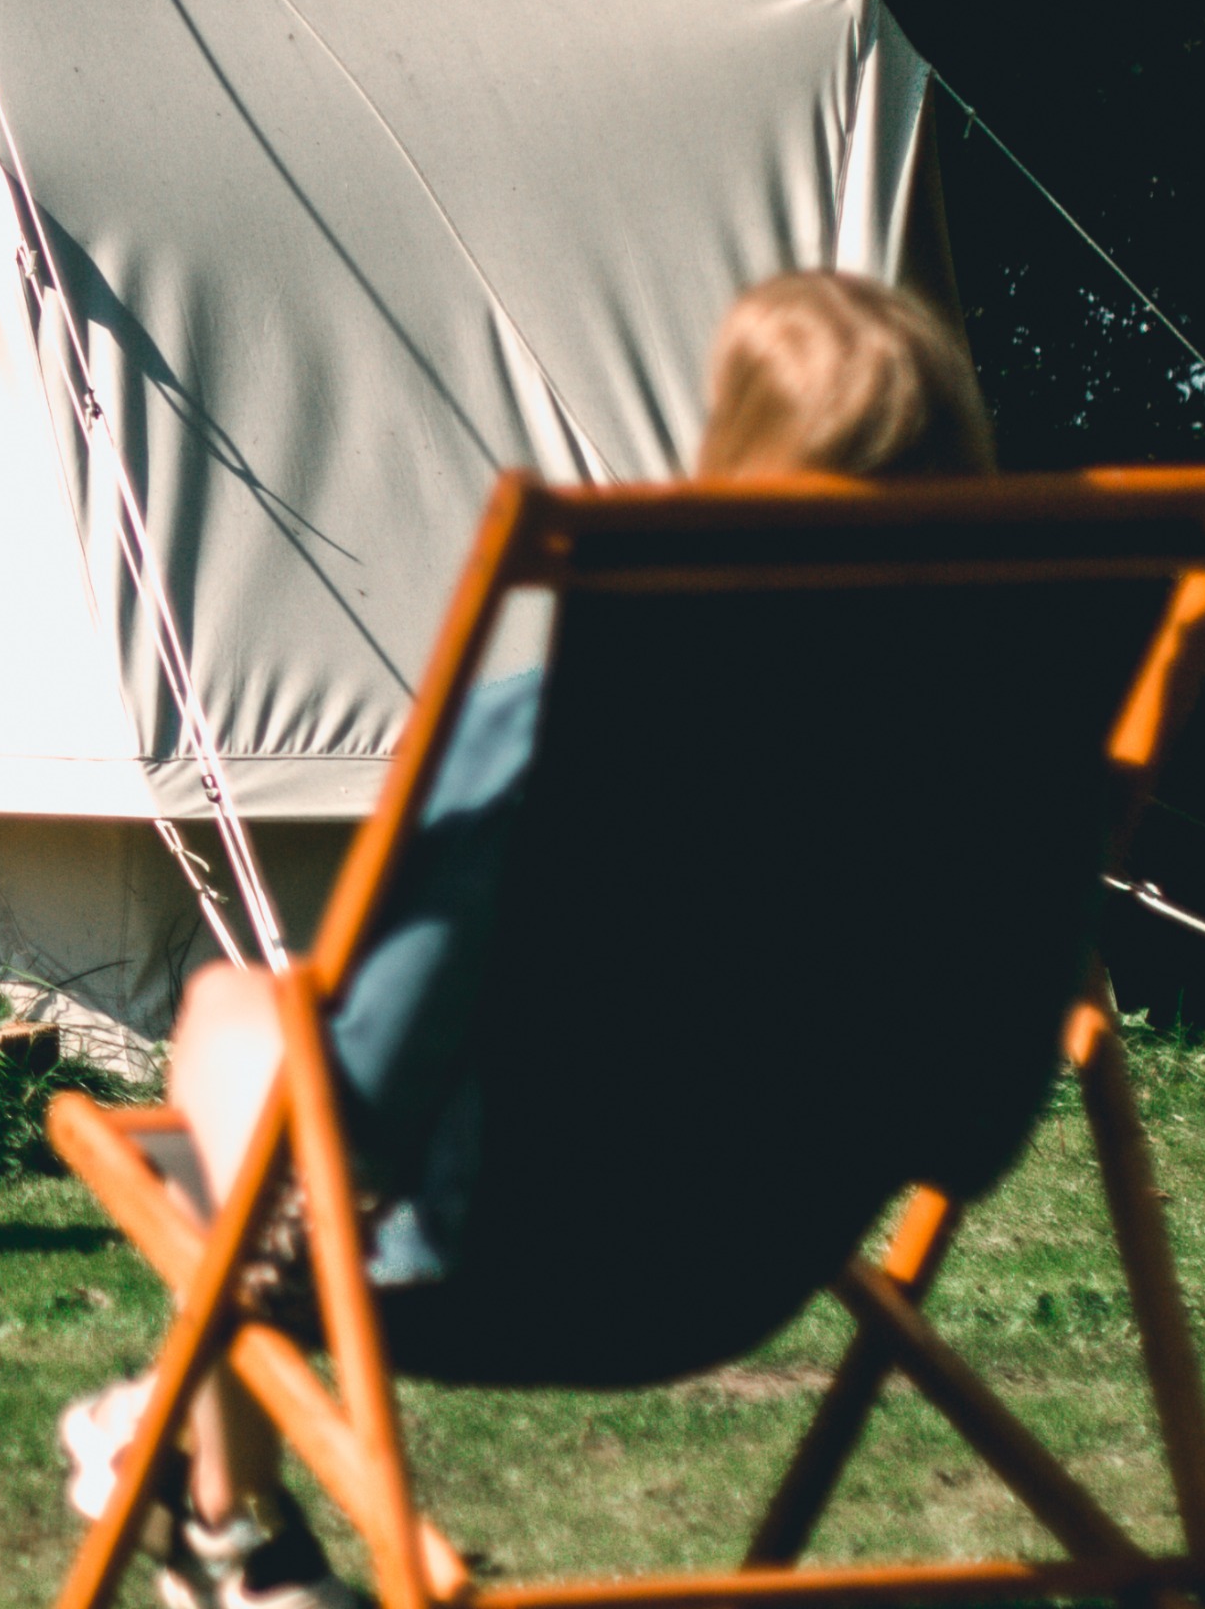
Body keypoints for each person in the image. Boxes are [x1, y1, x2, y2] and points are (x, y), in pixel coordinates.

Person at [57, 271, 994, 1609]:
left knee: (233, 1008)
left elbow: (367, 1098)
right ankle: (213, 1501)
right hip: (756, 1261)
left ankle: (227, 1520)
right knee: (279, 1068)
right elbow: (973, 1121)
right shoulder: (987, 762)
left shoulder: (567, 722)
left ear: (727, 453)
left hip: (501, 1258)